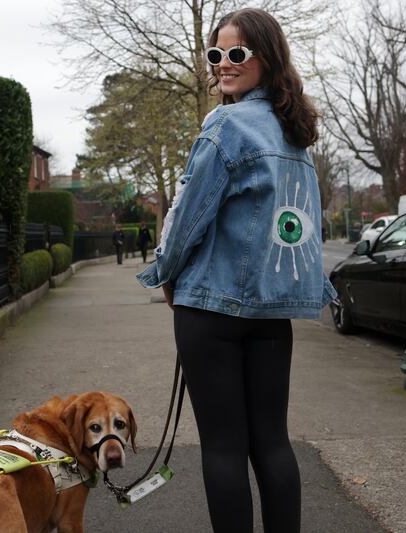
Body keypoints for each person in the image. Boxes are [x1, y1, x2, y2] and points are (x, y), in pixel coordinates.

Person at [136, 8, 336, 533]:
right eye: (216, 54)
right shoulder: (294, 135)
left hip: (212, 306)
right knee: (272, 441)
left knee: (223, 446)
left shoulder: (226, 126)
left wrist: (164, 272)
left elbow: (189, 217)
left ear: (266, 58)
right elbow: (302, 224)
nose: (223, 64)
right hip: (271, 312)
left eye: (236, 54)